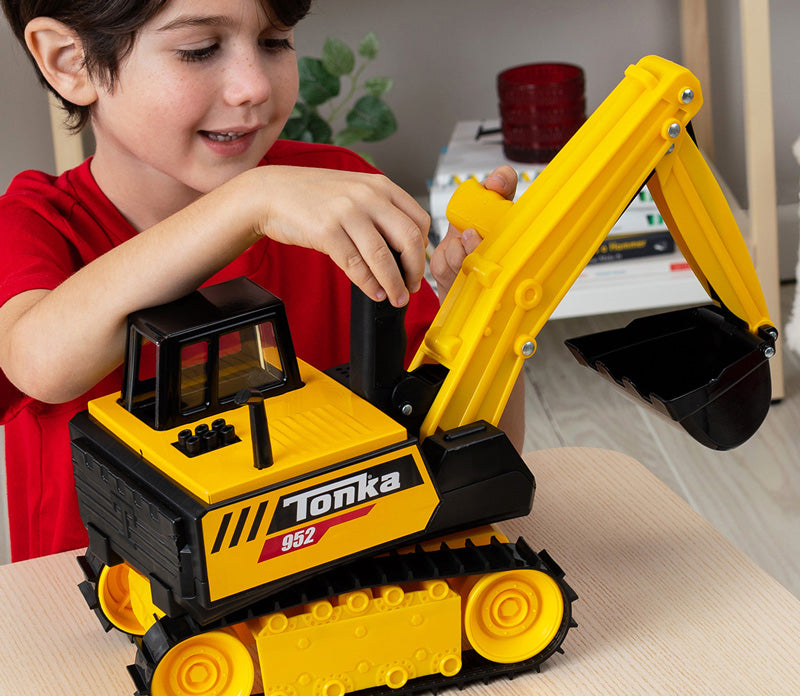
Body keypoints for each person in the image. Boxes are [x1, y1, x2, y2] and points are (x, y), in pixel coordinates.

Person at [0, 0, 522, 561]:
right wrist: (249, 200)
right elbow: (40, 361)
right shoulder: (34, 223)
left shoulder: (339, 191)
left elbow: (491, 451)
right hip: (95, 619)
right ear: (69, 62)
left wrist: (487, 306)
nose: (253, 86)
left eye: (275, 41)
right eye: (198, 49)